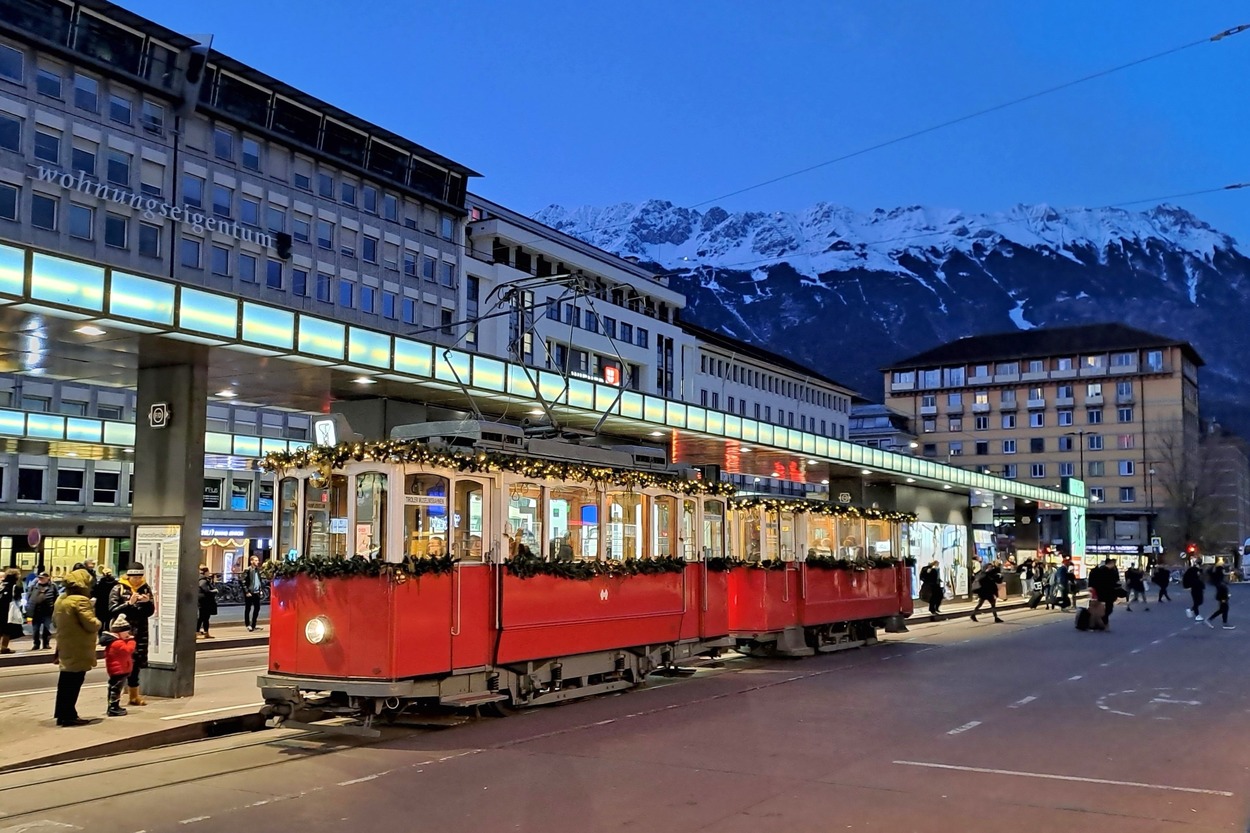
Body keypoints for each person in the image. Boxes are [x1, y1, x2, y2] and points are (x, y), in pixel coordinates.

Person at [52, 568, 100, 726]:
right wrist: (97, 619)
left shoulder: (61, 599)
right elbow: (91, 625)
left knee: (65, 681)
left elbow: (54, 622)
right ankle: (69, 715)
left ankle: (63, 713)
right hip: (79, 647)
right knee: (74, 681)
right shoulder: (80, 601)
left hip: (65, 645)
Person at [109, 563, 155, 706]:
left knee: (135, 665)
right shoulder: (118, 588)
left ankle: (134, 696)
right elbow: (112, 610)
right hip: (123, 633)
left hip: (140, 631)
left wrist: (147, 603)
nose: (137, 580)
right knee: (120, 665)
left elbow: (150, 611)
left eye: (139, 577)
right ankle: (114, 699)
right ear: (128, 576)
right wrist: (129, 603)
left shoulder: (145, 588)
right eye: (134, 577)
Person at [100, 614, 136, 717]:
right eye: (126, 632)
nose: (128, 634)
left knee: (114, 688)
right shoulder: (117, 643)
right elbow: (128, 650)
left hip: (118, 669)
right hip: (119, 670)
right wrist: (131, 641)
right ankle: (113, 707)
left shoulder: (116, 641)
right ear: (120, 632)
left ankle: (113, 706)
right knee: (116, 688)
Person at [26, 571, 58, 651]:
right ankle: (36, 644)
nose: (40, 579)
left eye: (42, 578)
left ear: (48, 578)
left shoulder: (53, 586)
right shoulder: (34, 586)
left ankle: (46, 644)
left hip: (48, 611)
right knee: (35, 629)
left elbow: (56, 597)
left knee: (47, 629)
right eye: (39, 578)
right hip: (36, 611)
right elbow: (28, 596)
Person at [1088, 558, 1121, 629]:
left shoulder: (1097, 571)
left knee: (1099, 609)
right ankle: (1101, 623)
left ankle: (1098, 623)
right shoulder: (1106, 571)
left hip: (1102, 593)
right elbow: (1113, 582)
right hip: (1104, 593)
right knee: (1105, 609)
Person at [1, 568, 23, 654]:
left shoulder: (2, 584)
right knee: (7, 630)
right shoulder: (15, 586)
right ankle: (3, 647)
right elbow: (17, 598)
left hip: (1, 609)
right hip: (9, 610)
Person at [240, 555, 264, 632]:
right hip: (250, 592)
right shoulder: (247, 570)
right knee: (248, 608)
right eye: (256, 560)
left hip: (256, 592)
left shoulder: (258, 570)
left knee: (257, 608)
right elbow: (242, 581)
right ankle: (248, 624)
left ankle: (253, 624)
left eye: (258, 560)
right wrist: (246, 592)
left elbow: (259, 581)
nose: (257, 562)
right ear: (251, 561)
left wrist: (260, 590)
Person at [197, 566, 218, 638]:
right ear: (205, 572)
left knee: (204, 617)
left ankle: (204, 632)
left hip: (202, 600)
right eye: (208, 572)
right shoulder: (203, 580)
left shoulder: (201, 579)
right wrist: (214, 591)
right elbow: (206, 590)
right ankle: (199, 632)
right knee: (203, 617)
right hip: (204, 601)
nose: (209, 573)